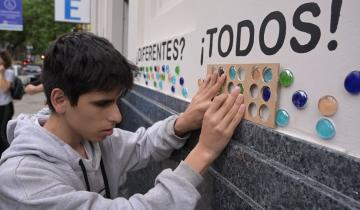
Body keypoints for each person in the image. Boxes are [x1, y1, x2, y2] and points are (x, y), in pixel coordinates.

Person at [0, 32, 245, 209]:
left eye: (117, 100)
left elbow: (141, 145)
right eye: (102, 103)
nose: (117, 116)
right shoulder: (22, 178)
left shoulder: (91, 139)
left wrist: (183, 122)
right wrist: (203, 152)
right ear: (60, 100)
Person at [0, 50, 15, 155]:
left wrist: (1, 74)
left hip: (5, 106)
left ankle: (8, 153)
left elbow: (5, 88)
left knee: (2, 132)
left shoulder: (9, 72)